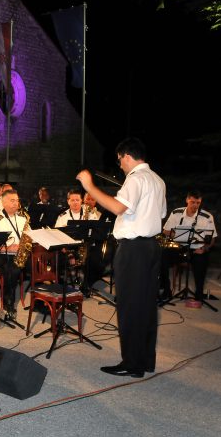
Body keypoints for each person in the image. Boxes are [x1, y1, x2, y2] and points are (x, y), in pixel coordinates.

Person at [76, 137, 166, 378]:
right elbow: (162, 213)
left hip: (134, 250)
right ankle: (145, 360)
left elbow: (118, 208)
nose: (120, 166)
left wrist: (89, 186)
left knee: (128, 306)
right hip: (151, 248)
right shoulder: (157, 180)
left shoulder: (136, 179)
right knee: (146, 306)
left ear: (126, 156)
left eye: (120, 161)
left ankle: (131, 363)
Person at [160, 190, 217, 303]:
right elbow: (166, 230)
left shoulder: (207, 216)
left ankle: (199, 294)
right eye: (192, 202)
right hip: (179, 247)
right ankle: (166, 290)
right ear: (187, 200)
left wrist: (204, 248)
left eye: (198, 203)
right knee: (161, 257)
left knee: (202, 260)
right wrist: (179, 236)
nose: (195, 205)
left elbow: (212, 239)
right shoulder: (177, 212)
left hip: (197, 249)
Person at [0, 189, 27, 319]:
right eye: (12, 200)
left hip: (19, 254)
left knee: (40, 266)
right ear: (3, 202)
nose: (16, 203)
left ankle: (41, 300)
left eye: (17, 200)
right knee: (12, 270)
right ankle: (9, 303)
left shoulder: (22, 218)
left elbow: (29, 237)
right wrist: (8, 247)